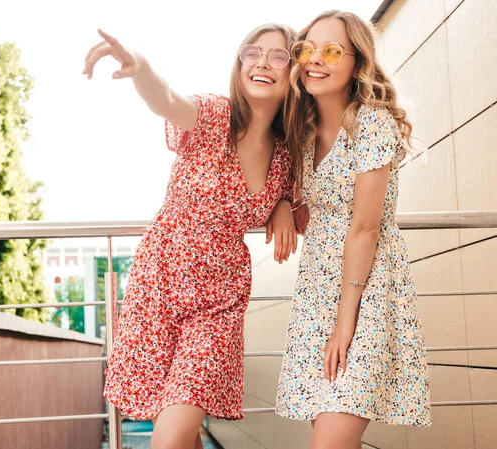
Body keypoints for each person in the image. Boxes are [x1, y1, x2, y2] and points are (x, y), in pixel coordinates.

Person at [83, 23, 301, 449]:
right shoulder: (214, 115)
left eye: (278, 56)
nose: (262, 63)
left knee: (173, 433)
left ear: (293, 73)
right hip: (159, 286)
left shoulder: (287, 154)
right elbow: (166, 100)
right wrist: (140, 65)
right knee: (177, 426)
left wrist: (284, 206)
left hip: (219, 302)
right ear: (239, 65)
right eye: (252, 53)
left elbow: (298, 192)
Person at [267, 10, 432, 449]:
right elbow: (296, 193)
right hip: (316, 289)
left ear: (358, 62)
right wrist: (284, 203)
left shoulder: (372, 122)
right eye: (306, 49)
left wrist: (346, 322)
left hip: (367, 288)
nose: (315, 60)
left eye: (332, 50)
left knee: (331, 440)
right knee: (327, 430)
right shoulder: (300, 129)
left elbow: (364, 227)